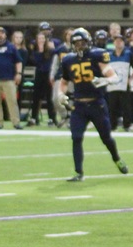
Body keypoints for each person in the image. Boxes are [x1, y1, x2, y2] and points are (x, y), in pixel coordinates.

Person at [55, 28, 128, 182]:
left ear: (88, 42)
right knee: (76, 137)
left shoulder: (97, 56)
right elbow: (63, 82)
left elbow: (113, 75)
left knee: (106, 138)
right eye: (77, 43)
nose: (80, 46)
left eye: (82, 42)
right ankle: (79, 172)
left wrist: (106, 80)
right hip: (79, 106)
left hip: (97, 104)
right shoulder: (68, 59)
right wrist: (60, 94)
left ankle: (116, 158)